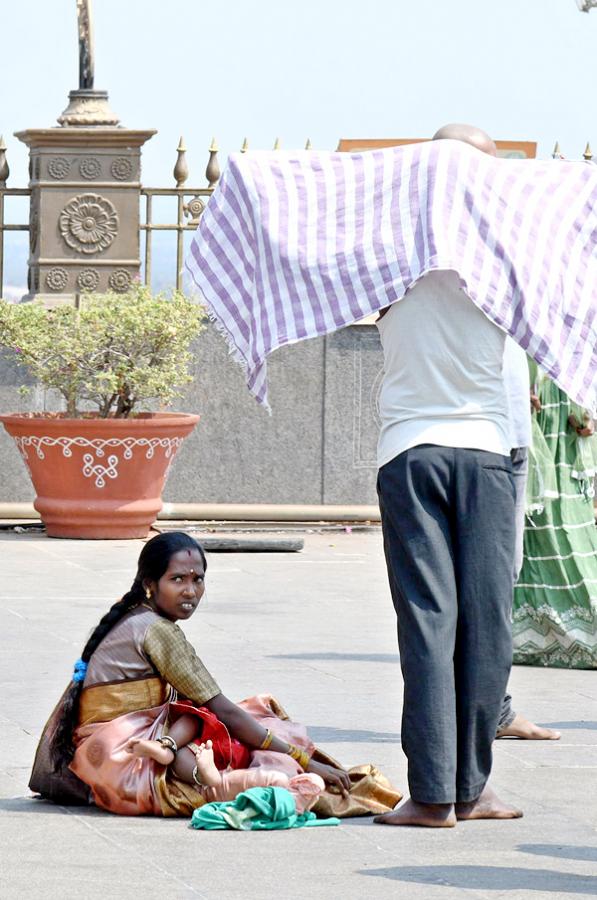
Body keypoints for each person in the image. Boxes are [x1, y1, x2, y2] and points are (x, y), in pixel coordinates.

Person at [374, 123, 526, 828]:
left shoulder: (382, 254)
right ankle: (471, 787)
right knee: (485, 623)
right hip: (487, 451)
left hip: (411, 450)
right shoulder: (510, 253)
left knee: (430, 623)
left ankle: (436, 794)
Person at [42, 531, 354, 817]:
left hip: (104, 752)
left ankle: (202, 764)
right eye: (177, 579)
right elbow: (221, 708)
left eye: (198, 580)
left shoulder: (134, 613)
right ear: (150, 584)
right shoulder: (156, 630)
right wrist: (303, 759)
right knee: (241, 726)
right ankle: (240, 782)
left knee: (219, 719)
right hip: (124, 761)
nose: (190, 591)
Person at [512, 368, 597, 668]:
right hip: (530, 425)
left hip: (563, 432)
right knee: (532, 534)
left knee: (566, 532)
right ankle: (526, 637)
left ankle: (577, 634)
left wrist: (588, 411)